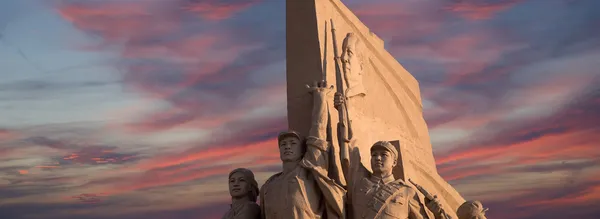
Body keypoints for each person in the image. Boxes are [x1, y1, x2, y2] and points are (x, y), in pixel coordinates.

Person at [334, 92, 446, 219]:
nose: (377, 158)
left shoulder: (407, 191)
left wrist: (438, 214)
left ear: (394, 162)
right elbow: (349, 146)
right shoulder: (359, 181)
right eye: (374, 155)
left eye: (384, 155)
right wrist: (343, 110)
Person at [260, 81, 345, 219]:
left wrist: (320, 98)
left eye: (293, 143)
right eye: (283, 144)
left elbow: (318, 131)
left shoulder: (310, 171)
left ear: (302, 149)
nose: (287, 146)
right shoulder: (269, 185)